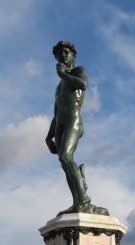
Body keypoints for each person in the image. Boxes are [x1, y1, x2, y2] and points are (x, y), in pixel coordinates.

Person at [46, 41, 93, 215]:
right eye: (59, 54)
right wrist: (48, 136)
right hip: (60, 123)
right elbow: (56, 112)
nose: (63, 56)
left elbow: (83, 85)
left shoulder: (78, 71)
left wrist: (62, 74)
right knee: (64, 162)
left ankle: (84, 200)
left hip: (74, 120)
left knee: (66, 157)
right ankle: (77, 202)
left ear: (73, 55)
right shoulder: (59, 87)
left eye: (66, 52)